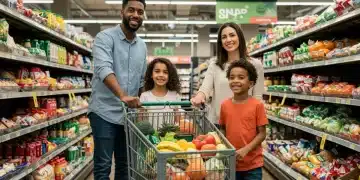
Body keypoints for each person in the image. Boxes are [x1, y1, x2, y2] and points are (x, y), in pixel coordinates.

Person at [87, 0, 147, 179]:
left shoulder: (142, 46)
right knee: (103, 165)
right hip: (103, 112)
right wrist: (123, 95)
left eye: (140, 11)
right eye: (131, 10)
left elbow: (142, 79)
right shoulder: (104, 38)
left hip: (128, 116)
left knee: (125, 165)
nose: (136, 14)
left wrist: (142, 102)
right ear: (122, 12)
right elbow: (103, 69)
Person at [191, 22, 264, 125]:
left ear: (240, 37)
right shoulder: (215, 65)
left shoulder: (255, 64)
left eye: (232, 35)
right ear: (221, 42)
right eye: (224, 37)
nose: (228, 40)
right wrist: (199, 97)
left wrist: (258, 123)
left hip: (245, 121)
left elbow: (257, 96)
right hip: (219, 121)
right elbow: (205, 89)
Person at [219, 60, 268, 180]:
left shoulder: (257, 105)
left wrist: (246, 149)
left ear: (250, 84)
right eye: (231, 77)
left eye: (241, 77)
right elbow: (223, 129)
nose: (235, 80)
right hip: (231, 162)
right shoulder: (225, 105)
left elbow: (262, 134)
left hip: (253, 165)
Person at [139, 58, 182, 129]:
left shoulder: (175, 95)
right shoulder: (145, 96)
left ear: (169, 76)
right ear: (151, 74)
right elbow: (141, 121)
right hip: (150, 138)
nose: (161, 75)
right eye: (157, 71)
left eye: (165, 72)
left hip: (170, 137)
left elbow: (177, 121)